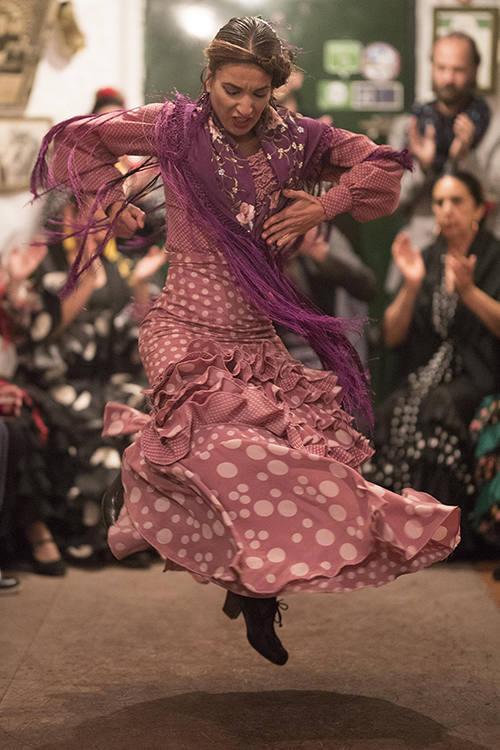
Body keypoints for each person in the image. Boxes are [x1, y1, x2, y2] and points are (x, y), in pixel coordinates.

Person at [32, 17, 460, 666]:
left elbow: (380, 165)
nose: (244, 106)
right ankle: (239, 572)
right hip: (182, 326)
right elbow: (78, 141)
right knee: (220, 447)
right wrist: (110, 204)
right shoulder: (174, 128)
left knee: (294, 463)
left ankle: (255, 585)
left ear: (275, 92)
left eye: (259, 93)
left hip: (256, 337)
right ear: (207, 81)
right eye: (232, 90)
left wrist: (326, 204)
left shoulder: (295, 137)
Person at [365, 171, 500, 555]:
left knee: (439, 408)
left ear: (479, 208)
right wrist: (409, 287)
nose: (446, 211)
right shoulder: (426, 259)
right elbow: (391, 335)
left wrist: (470, 292)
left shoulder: (495, 256)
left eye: (457, 201)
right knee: (393, 410)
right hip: (430, 372)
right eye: (439, 203)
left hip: (480, 371)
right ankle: (403, 533)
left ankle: (446, 536)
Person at [388, 32, 500, 289]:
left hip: (480, 258)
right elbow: (393, 199)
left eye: (458, 70)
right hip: (419, 254)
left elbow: (494, 194)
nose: (449, 78)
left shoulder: (495, 125)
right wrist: (423, 168)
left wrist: (466, 157)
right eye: (442, 68)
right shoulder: (409, 127)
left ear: (475, 69)